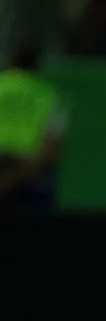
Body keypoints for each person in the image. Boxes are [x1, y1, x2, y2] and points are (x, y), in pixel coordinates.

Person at [0, 47, 65, 213]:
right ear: (36, 67)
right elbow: (53, 141)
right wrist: (24, 174)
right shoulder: (50, 94)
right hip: (29, 168)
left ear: (9, 62)